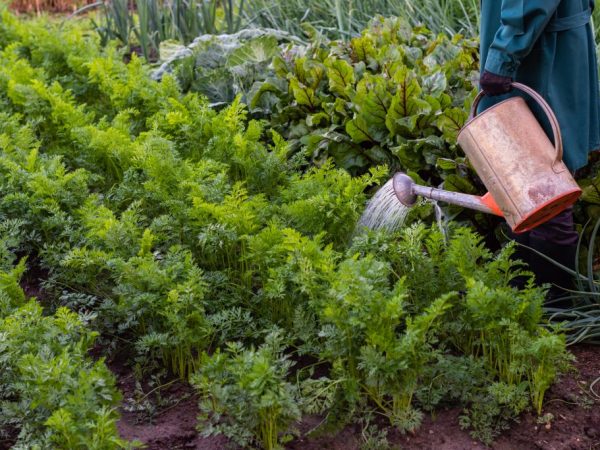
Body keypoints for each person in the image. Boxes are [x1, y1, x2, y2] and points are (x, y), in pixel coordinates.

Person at [478, 0, 600, 298]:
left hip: (539, 54)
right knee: (526, 188)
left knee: (544, 191)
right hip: (542, 43)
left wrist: (503, 55)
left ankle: (553, 318)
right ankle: (528, 305)